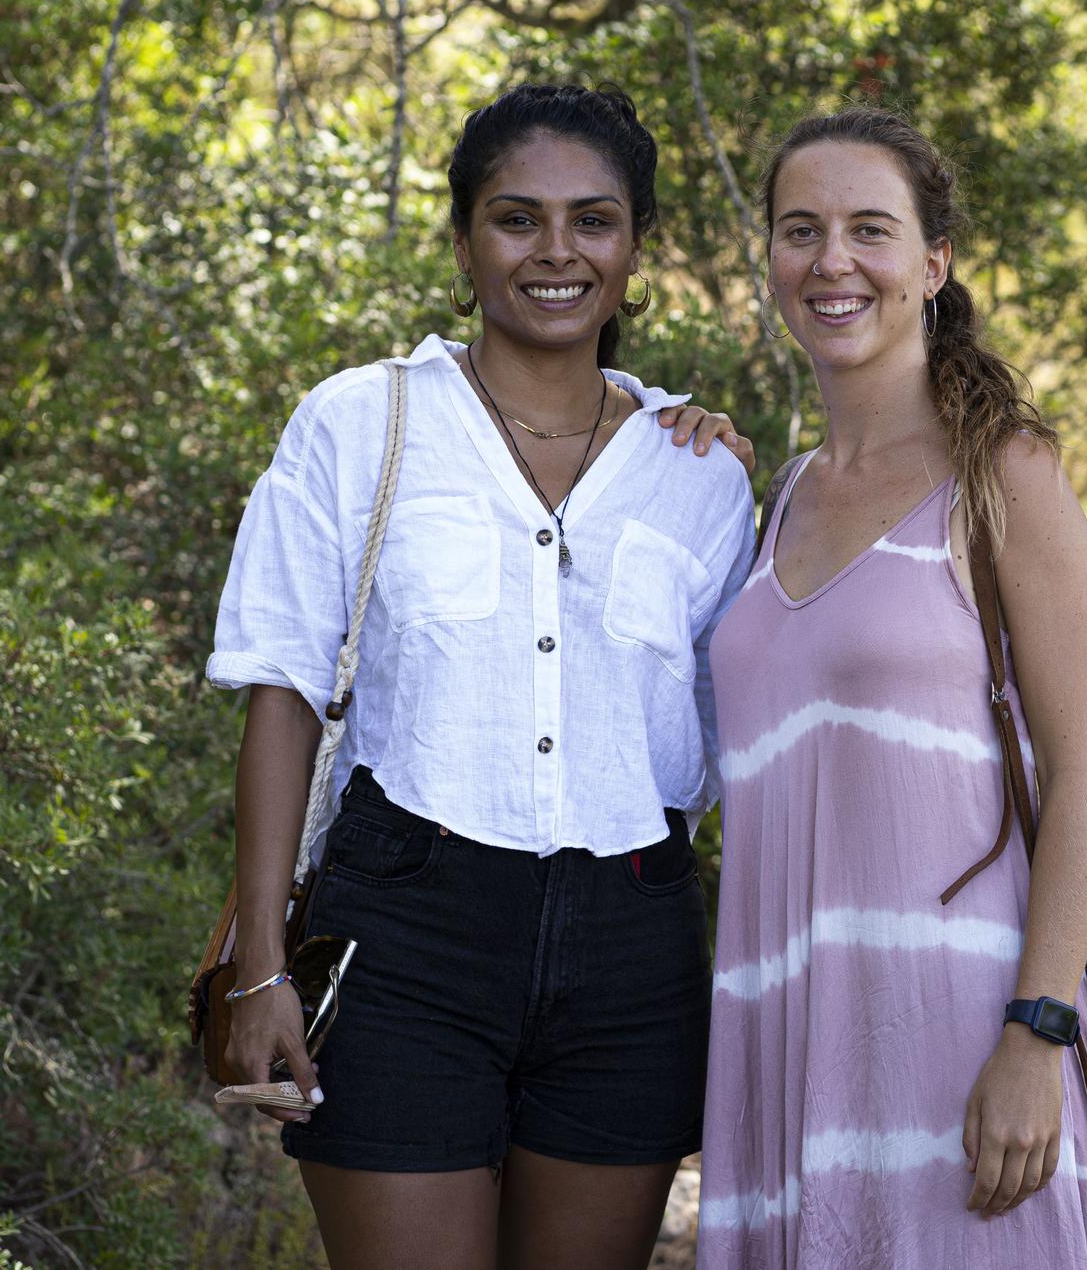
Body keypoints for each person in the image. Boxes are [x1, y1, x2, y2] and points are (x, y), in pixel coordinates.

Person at [206, 83, 757, 1270]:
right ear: (462, 242)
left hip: (632, 935)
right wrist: (260, 967)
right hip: (406, 929)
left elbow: (744, 736)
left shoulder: (701, 473)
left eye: (592, 220)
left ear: (634, 248)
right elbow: (282, 692)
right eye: (516, 218)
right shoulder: (358, 422)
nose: (555, 251)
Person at [697, 108, 1087, 1268]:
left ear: (930, 264)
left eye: (867, 230)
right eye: (799, 230)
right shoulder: (774, 494)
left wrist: (1036, 1035)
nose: (830, 261)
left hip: (958, 1039)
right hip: (786, 1039)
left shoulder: (1005, 477)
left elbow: (1082, 776)